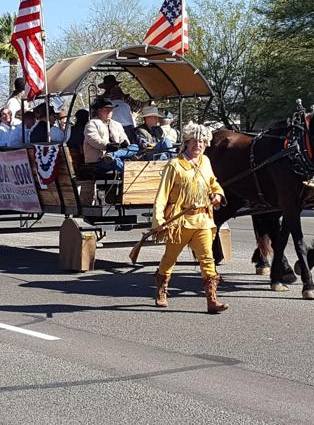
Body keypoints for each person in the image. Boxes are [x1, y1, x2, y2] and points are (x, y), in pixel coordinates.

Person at [152, 122, 228, 314]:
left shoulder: (205, 162)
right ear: (186, 142)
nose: (198, 145)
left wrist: (217, 194)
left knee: (207, 259)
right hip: (179, 222)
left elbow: (213, 183)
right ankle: (161, 290)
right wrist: (159, 220)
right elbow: (162, 194)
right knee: (170, 258)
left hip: (202, 220)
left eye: (202, 141)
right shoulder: (175, 165)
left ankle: (212, 300)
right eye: (194, 141)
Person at [83, 98, 139, 172]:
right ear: (99, 111)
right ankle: (129, 174)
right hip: (99, 159)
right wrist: (108, 145)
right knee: (115, 161)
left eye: (111, 110)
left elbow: (124, 139)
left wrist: (124, 144)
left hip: (117, 154)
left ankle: (112, 155)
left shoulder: (117, 124)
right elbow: (93, 139)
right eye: (106, 110)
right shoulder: (92, 123)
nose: (109, 112)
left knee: (135, 147)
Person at [98, 74, 144, 142]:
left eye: (113, 86)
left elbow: (138, 107)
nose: (112, 88)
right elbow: (138, 107)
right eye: (111, 86)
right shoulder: (102, 99)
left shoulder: (101, 99)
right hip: (111, 127)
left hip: (119, 127)